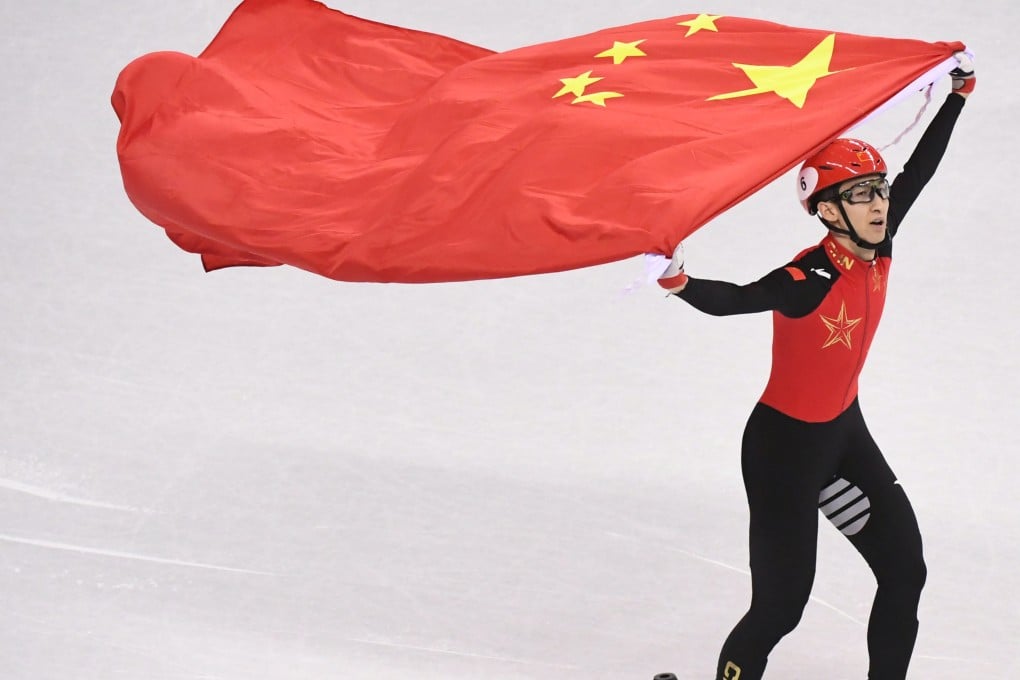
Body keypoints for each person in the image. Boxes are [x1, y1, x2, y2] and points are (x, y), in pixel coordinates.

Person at [655, 54, 974, 680]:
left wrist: (957, 97)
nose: (880, 202)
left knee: (905, 571)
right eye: (861, 194)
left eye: (878, 189)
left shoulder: (878, 243)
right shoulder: (810, 276)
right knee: (779, 609)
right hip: (783, 451)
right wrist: (678, 280)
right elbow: (738, 301)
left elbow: (920, 172)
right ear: (828, 211)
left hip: (842, 436)